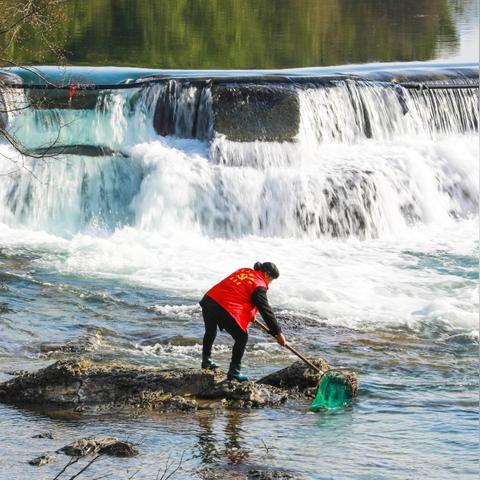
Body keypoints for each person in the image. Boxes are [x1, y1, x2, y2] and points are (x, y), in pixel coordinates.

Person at [199, 261, 287, 382]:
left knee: (210, 331)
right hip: (223, 306)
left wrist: (251, 314)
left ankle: (206, 360)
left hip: (209, 300)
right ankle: (234, 371)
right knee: (242, 337)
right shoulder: (259, 284)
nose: (270, 283)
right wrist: (278, 332)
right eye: (271, 279)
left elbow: (237, 291)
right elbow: (265, 310)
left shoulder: (245, 271)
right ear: (267, 274)